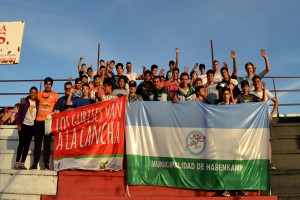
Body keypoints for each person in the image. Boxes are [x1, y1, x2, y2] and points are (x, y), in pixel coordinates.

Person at [251, 75, 278, 170]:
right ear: (253, 83)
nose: (256, 83)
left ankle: (270, 163)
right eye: (255, 81)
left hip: (266, 119)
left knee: (267, 141)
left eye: (258, 81)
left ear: (260, 81)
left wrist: (272, 113)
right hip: (256, 121)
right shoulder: (251, 93)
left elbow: (276, 102)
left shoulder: (266, 91)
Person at [31, 77, 59, 170]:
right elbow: (32, 98)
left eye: (49, 84)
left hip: (48, 122)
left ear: (51, 85)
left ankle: (46, 164)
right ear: (44, 85)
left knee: (47, 143)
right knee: (37, 143)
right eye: (46, 84)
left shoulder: (55, 95)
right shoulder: (39, 94)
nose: (48, 85)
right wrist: (24, 100)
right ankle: (35, 164)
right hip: (38, 121)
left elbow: (58, 108)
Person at [14, 86, 39, 170]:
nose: (33, 94)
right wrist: (19, 125)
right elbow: (19, 113)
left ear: (36, 94)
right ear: (29, 93)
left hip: (31, 127)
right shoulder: (25, 102)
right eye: (32, 92)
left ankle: (22, 163)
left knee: (27, 145)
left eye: (35, 93)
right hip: (23, 125)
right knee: (21, 144)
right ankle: (17, 162)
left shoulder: (37, 103)